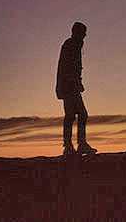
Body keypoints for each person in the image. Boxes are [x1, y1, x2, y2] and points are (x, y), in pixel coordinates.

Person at [56, 22, 97, 155]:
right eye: (83, 32)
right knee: (73, 115)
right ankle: (69, 146)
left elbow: (75, 68)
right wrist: (72, 83)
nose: (85, 35)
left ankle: (79, 144)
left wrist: (78, 81)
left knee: (80, 115)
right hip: (68, 87)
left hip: (71, 86)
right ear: (77, 32)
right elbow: (66, 68)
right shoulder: (70, 45)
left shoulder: (75, 45)